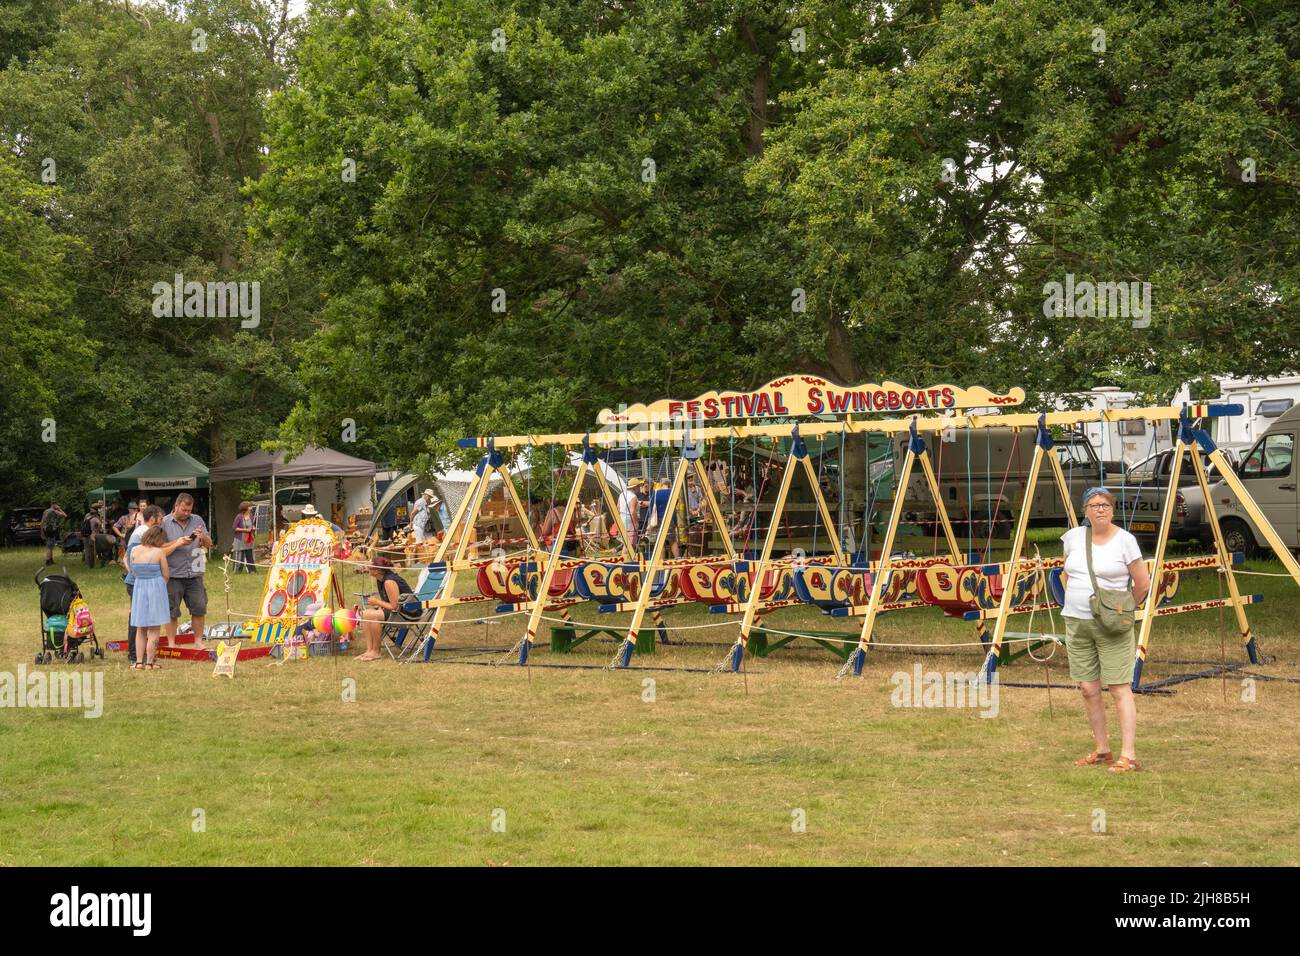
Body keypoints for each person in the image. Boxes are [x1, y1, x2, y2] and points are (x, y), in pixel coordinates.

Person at [1060, 487, 1151, 773]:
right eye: (1094, 505)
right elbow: (1065, 574)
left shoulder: (1126, 541)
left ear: (1113, 510)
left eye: (1106, 505)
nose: (1100, 509)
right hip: (1077, 622)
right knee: (1088, 688)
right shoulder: (1073, 538)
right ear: (1085, 510)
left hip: (1112, 626)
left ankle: (1129, 754)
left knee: (1119, 687)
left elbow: (1143, 584)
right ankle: (1102, 750)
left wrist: (1122, 611)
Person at [129, 524, 194, 669]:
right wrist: (158, 583)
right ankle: (150, 663)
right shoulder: (159, 552)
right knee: (154, 628)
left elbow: (132, 570)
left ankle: (139, 662)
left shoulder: (134, 550)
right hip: (155, 588)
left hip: (140, 588)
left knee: (141, 628)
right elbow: (166, 574)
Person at [162, 492, 211, 648]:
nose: (186, 513)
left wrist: (202, 536)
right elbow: (158, 547)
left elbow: (209, 544)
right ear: (176, 506)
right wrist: (177, 542)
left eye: (189, 510)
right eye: (183, 510)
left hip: (195, 572)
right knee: (172, 611)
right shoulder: (164, 522)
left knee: (199, 608)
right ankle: (171, 644)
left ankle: (198, 641)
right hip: (173, 573)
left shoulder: (197, 520)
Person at [124, 505, 165, 664]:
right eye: (160, 519)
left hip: (142, 582)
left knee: (142, 620)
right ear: (153, 518)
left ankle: (142, 656)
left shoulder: (146, 533)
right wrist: (138, 577)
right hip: (138, 583)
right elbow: (129, 558)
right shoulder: (141, 533)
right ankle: (135, 655)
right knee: (138, 620)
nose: (161, 522)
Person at [357, 555, 414, 661]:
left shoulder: (389, 581)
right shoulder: (380, 579)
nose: (368, 568)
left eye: (370, 566)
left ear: (377, 570)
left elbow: (395, 606)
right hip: (397, 611)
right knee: (365, 614)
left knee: (374, 616)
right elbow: (389, 603)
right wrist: (380, 605)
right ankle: (369, 650)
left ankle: (376, 652)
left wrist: (377, 602)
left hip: (407, 613)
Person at [231, 501, 255, 573]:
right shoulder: (239, 517)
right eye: (249, 506)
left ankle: (251, 570)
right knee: (239, 556)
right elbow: (234, 528)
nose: (251, 507)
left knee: (249, 555)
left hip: (248, 539)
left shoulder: (251, 515)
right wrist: (245, 530)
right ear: (246, 508)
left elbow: (252, 525)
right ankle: (237, 571)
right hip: (240, 539)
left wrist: (253, 528)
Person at [618, 479, 642, 549]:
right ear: (635, 487)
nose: (639, 488)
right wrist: (636, 523)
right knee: (629, 543)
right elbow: (632, 511)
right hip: (630, 520)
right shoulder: (633, 497)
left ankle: (628, 556)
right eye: (638, 486)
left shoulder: (622, 494)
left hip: (622, 518)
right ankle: (625, 557)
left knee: (626, 541)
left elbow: (618, 508)